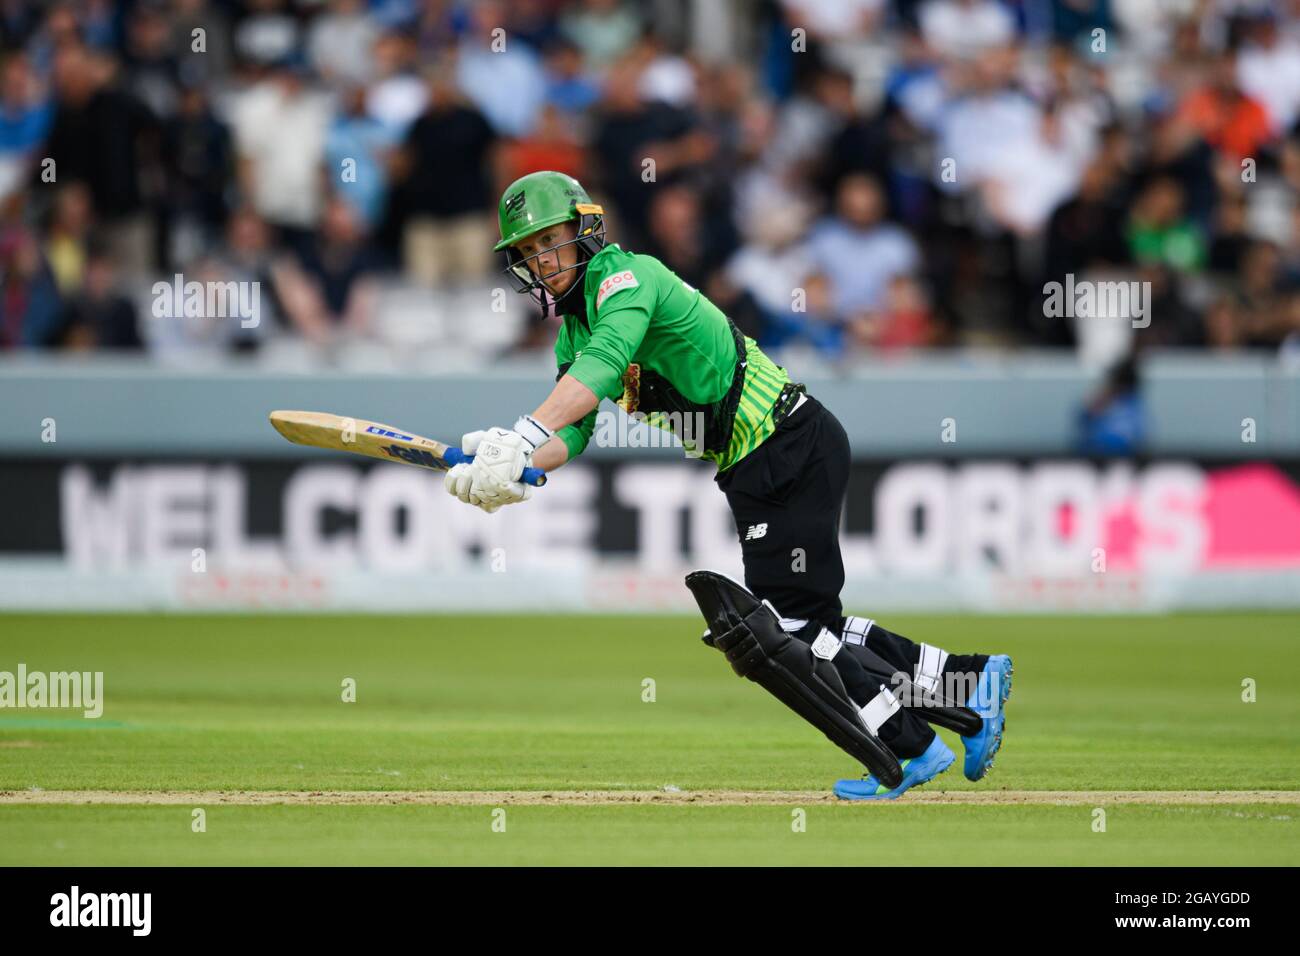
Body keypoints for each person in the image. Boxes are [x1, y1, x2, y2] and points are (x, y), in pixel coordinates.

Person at [443, 171, 1013, 799]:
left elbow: (605, 364)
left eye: (549, 240)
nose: (539, 261)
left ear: (584, 230)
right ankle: (969, 682)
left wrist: (521, 434)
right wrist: (516, 471)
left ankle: (914, 747)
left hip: (786, 443)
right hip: (758, 462)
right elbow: (575, 430)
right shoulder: (575, 328)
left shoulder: (628, 279)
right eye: (525, 252)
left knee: (788, 627)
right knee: (815, 622)